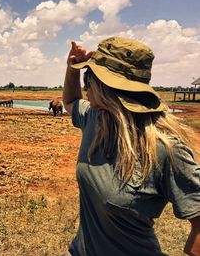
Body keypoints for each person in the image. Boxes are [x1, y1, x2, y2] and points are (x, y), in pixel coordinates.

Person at [62, 36, 200, 256]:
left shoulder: (164, 148)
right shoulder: (95, 118)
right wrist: (72, 69)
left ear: (106, 86)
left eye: (89, 77)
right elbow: (69, 102)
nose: (85, 85)